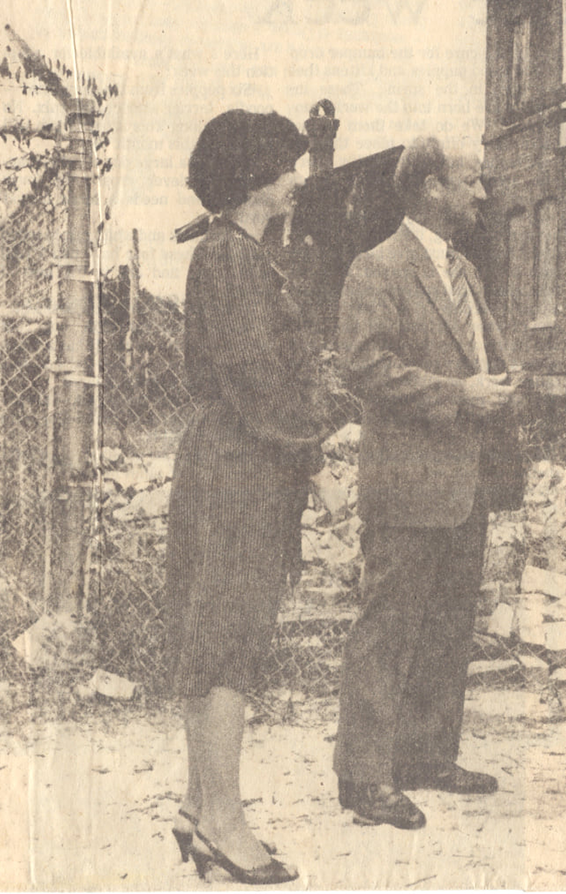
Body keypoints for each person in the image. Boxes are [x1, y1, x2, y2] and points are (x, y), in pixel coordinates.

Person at [165, 110, 340, 884]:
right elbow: (259, 380)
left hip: (232, 454)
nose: (298, 180)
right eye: (288, 168)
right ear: (258, 177)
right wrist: (317, 448)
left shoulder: (232, 253)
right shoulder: (233, 258)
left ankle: (201, 808)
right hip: (242, 460)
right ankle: (226, 823)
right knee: (231, 632)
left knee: (210, 628)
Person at [331, 137, 524, 830]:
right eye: (471, 182)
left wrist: (504, 378)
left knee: (447, 625)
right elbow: (364, 366)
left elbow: (478, 350)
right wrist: (459, 396)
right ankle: (364, 775)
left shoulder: (462, 266)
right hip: (408, 484)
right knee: (387, 628)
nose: (482, 194)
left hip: (464, 482)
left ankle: (426, 756)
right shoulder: (375, 267)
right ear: (432, 187)